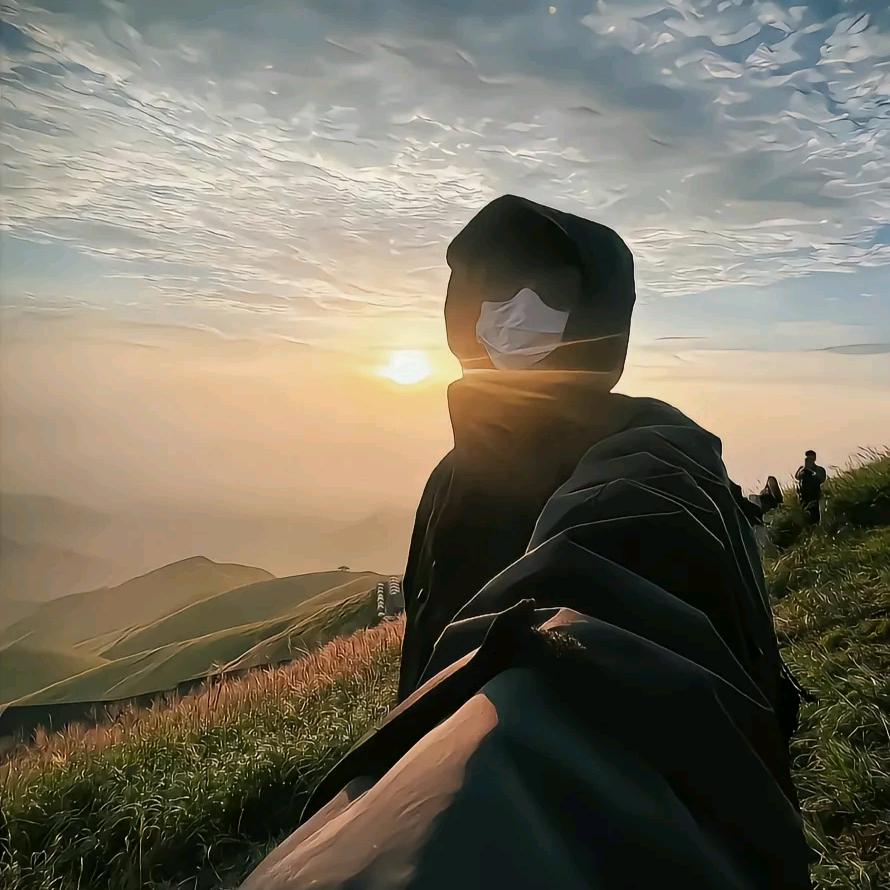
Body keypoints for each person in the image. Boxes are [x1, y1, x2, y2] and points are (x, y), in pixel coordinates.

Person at [240, 196, 811, 890]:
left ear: (599, 315)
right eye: (495, 290)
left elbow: (605, 595)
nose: (513, 311)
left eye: (549, 294)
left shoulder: (656, 458)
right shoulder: (452, 476)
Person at [795, 450, 827, 524]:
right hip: (803, 497)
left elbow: (822, 479)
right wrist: (805, 468)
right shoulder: (802, 469)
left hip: (815, 497)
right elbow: (797, 477)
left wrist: (811, 471)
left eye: (811, 458)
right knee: (805, 518)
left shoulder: (819, 469)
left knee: (815, 517)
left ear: (814, 459)